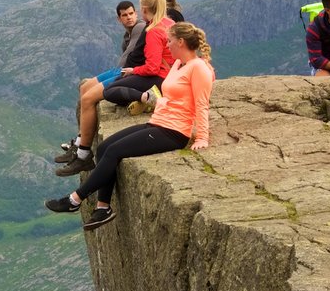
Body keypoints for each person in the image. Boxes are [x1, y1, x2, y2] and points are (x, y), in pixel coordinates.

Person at [45, 22, 214, 230]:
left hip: (173, 132)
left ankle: (74, 199)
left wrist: (202, 137)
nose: (167, 45)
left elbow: (202, 104)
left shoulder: (199, 68)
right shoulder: (179, 65)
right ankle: (103, 207)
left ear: (181, 42)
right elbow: (168, 94)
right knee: (105, 147)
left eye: (169, 41)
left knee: (115, 151)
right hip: (158, 123)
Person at [56, 0, 177, 175]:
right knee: (86, 90)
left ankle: (83, 156)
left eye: (132, 13)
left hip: (152, 78)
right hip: (163, 77)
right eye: (124, 15)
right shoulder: (169, 23)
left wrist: (132, 71)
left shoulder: (152, 30)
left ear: (142, 10)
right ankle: (80, 145)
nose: (129, 17)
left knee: (89, 99)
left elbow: (152, 67)